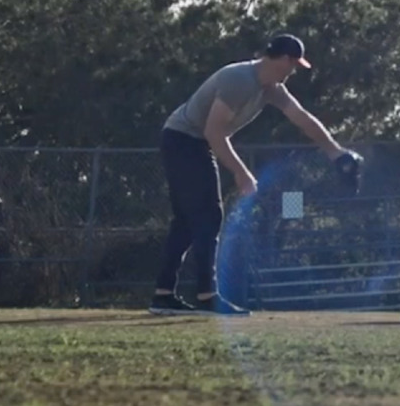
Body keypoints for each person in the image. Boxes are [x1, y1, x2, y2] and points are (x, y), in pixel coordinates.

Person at [149, 34, 354, 316]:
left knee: (186, 221)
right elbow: (213, 132)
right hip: (184, 139)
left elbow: (303, 118)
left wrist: (336, 152)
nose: (293, 72)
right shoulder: (240, 80)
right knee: (209, 215)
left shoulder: (271, 88)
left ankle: (163, 296)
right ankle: (208, 296)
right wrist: (241, 173)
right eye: (293, 65)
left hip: (193, 142)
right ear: (282, 60)